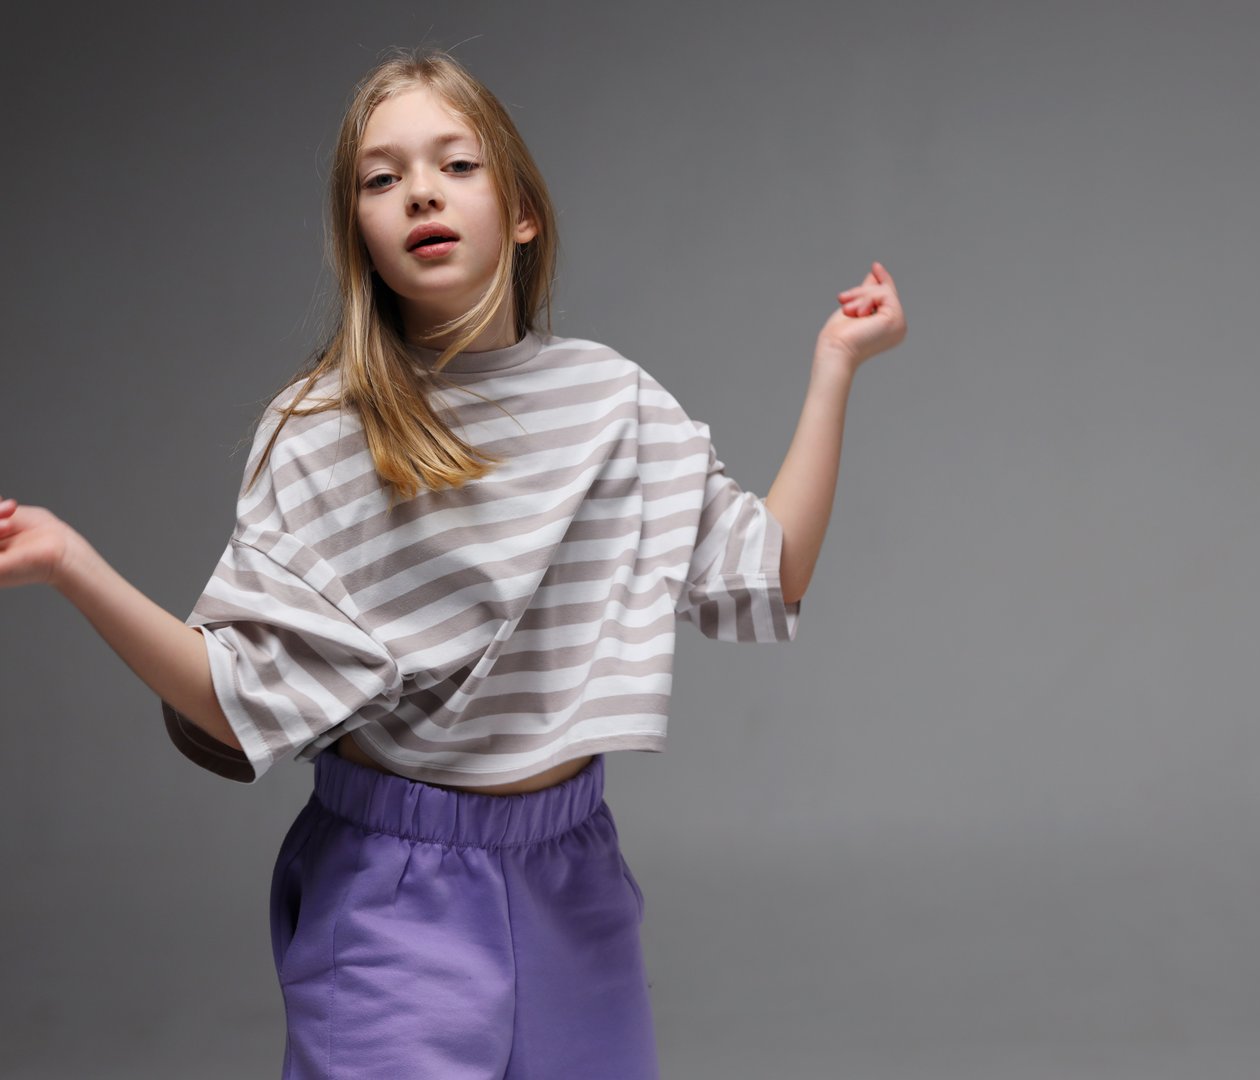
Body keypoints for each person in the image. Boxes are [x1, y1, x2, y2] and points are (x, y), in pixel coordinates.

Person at [0, 46, 905, 1079]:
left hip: (575, 878)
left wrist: (834, 369)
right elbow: (234, 698)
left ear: (522, 211)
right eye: (381, 179)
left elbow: (767, 578)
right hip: (392, 890)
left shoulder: (611, 400)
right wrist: (73, 566)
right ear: (363, 237)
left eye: (456, 166)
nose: (420, 191)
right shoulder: (320, 430)